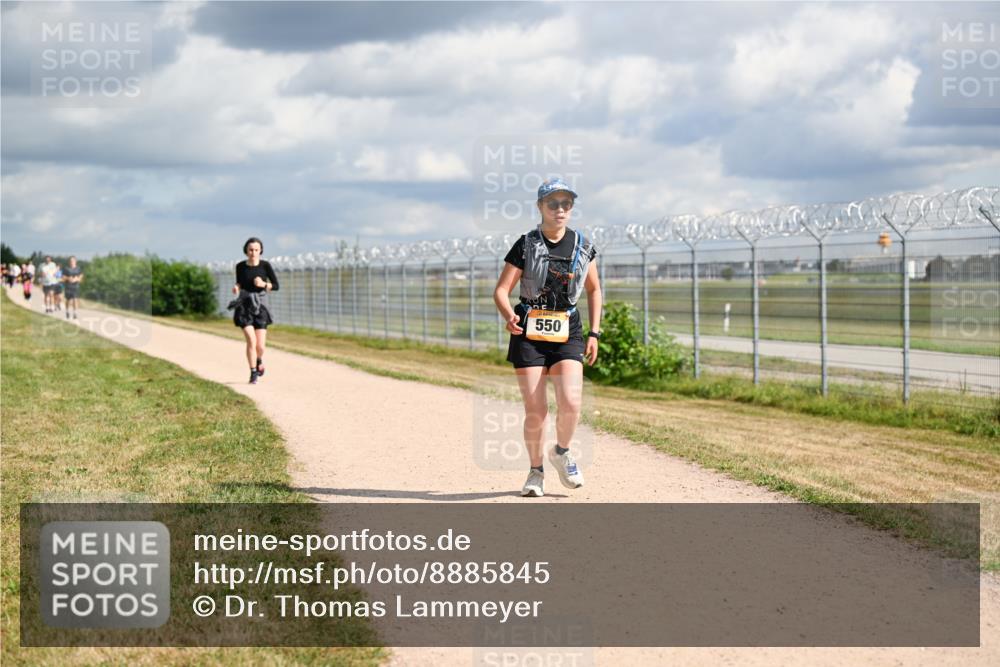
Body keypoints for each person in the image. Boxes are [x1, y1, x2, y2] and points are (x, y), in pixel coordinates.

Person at [493, 178, 603, 497]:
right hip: (529, 332)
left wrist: (594, 332)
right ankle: (535, 472)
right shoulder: (526, 244)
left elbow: (594, 290)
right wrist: (509, 315)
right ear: (540, 206)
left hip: (568, 329)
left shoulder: (582, 244)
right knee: (536, 410)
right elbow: (501, 290)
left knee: (571, 402)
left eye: (566, 203)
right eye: (553, 203)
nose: (560, 209)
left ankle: (562, 451)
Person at [228, 237, 279, 384]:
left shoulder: (265, 266)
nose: (253, 252)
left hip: (260, 305)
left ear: (260, 251)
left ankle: (258, 360)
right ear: (246, 251)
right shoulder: (240, 266)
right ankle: (253, 373)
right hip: (244, 305)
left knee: (260, 346)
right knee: (251, 340)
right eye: (250, 250)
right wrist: (237, 287)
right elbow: (240, 282)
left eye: (256, 250)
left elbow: (276, 285)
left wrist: (264, 284)